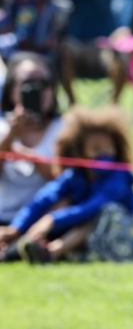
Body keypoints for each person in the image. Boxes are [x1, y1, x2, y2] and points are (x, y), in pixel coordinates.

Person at [0, 106, 133, 264]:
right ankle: (16, 246)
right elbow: (44, 198)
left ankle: (51, 252)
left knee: (94, 216)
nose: (104, 155)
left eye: (109, 149)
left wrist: (52, 220)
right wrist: (16, 228)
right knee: (62, 203)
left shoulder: (117, 178)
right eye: (96, 150)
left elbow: (91, 208)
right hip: (84, 226)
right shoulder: (74, 176)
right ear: (80, 153)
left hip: (123, 229)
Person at [0, 53, 63, 226]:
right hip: (5, 218)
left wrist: (27, 154)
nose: (39, 91)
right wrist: (11, 135)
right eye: (29, 84)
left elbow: (67, 181)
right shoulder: (2, 128)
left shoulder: (66, 128)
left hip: (48, 222)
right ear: (11, 89)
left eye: (45, 84)